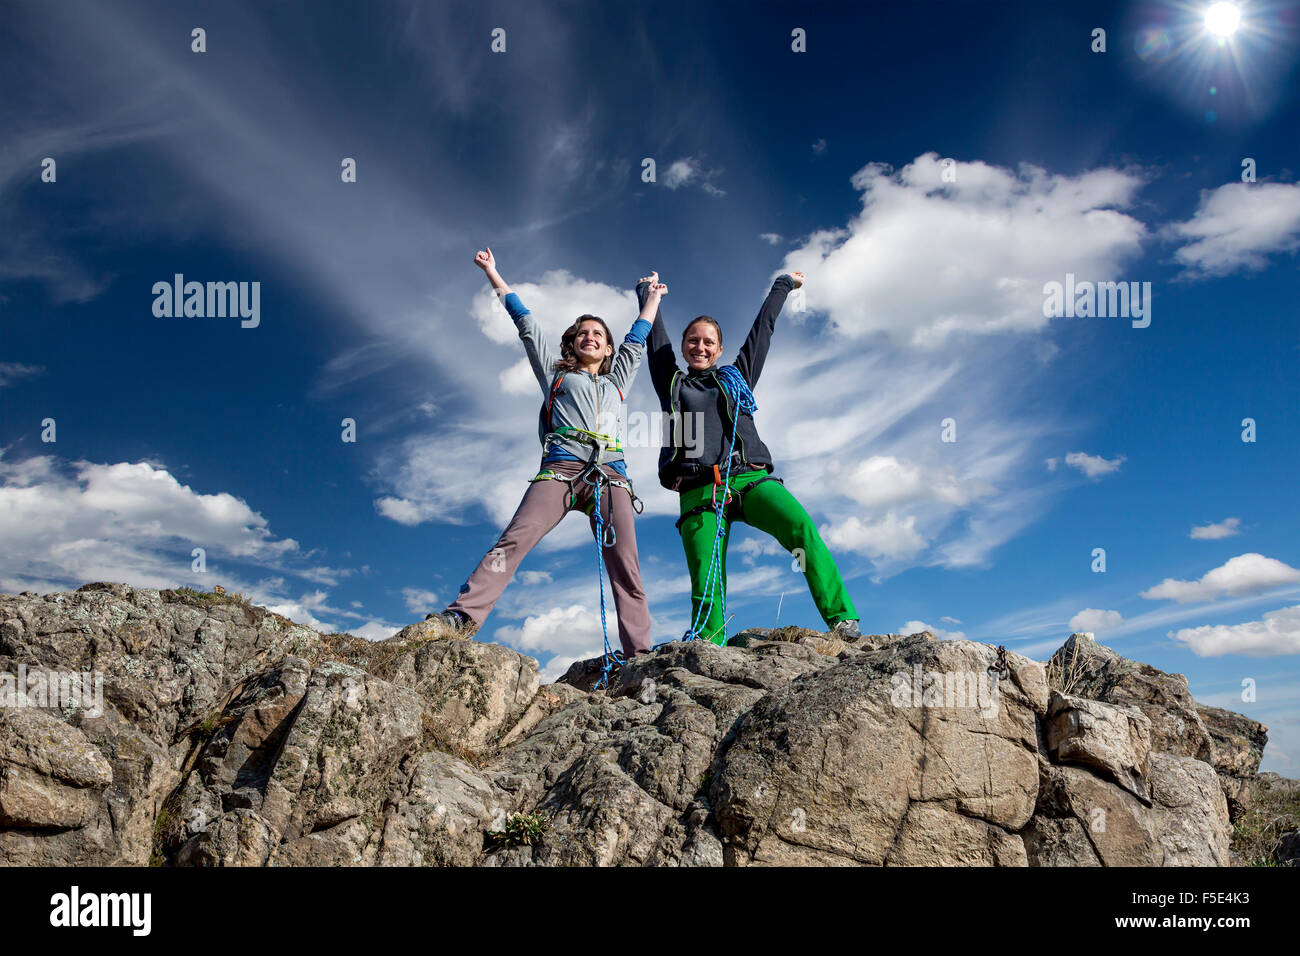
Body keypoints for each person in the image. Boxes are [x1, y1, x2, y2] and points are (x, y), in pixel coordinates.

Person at [430, 249, 663, 660]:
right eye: (582, 333)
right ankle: (462, 616)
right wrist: (493, 273)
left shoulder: (618, 381)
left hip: (611, 476)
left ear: (608, 349)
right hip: (560, 471)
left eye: (598, 335)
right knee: (512, 543)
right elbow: (526, 322)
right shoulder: (556, 375)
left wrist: (652, 299)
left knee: (626, 564)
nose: (589, 337)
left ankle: (639, 655)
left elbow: (638, 337)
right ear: (572, 343)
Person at [641, 269, 861, 645]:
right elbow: (655, 342)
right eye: (692, 341)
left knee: (800, 530)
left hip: (750, 477)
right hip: (699, 488)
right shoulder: (673, 383)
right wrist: (648, 295)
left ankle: (842, 618)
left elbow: (764, 330)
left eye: (708, 342)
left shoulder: (737, 376)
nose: (700, 347)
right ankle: (710, 643)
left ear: (720, 349)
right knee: (706, 573)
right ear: (682, 346)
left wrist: (783, 285)